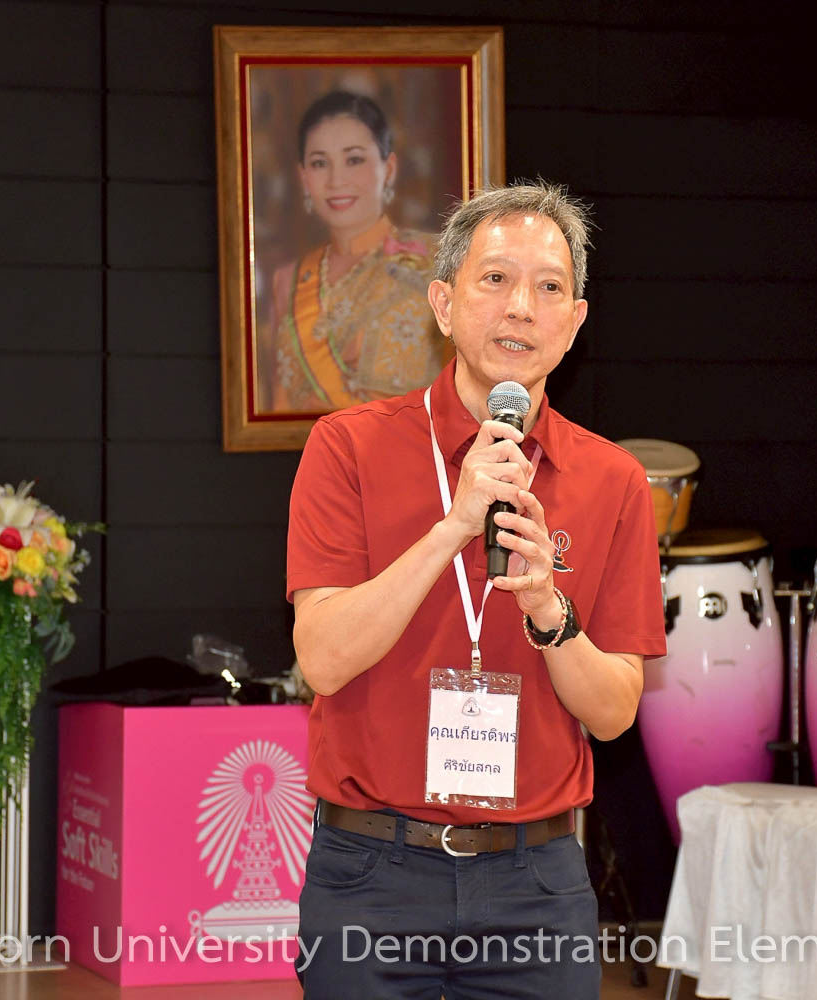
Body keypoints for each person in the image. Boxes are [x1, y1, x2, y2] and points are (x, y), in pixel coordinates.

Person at [285, 181, 669, 999]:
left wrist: (549, 613)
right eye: (495, 279)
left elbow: (614, 712)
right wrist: (452, 529)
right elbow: (321, 659)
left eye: (549, 287)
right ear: (443, 304)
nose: (521, 307)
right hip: (372, 874)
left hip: (536, 884)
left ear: (575, 322)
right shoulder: (348, 448)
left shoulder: (614, 481)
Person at [265, 90, 451, 412]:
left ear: (388, 168)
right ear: (304, 177)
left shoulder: (438, 261)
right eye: (320, 163)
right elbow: (281, 403)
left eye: (354, 160)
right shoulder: (287, 281)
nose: (336, 180)